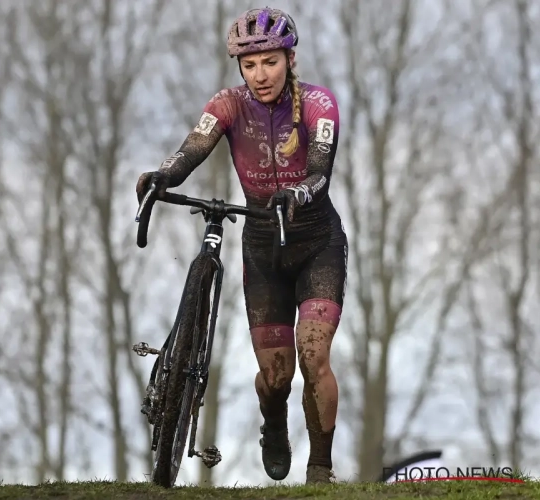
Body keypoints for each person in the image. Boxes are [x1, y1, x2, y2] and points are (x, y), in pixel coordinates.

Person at [135, 7, 347, 485]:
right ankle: (274, 424)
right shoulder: (228, 104)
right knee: (275, 376)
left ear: (289, 59)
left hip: (317, 243)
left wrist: (296, 192)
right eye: (249, 66)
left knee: (313, 355)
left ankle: (320, 468)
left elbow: (319, 169)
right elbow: (194, 145)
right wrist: (163, 175)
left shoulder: (319, 104)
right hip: (262, 246)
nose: (260, 75)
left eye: (269, 62)